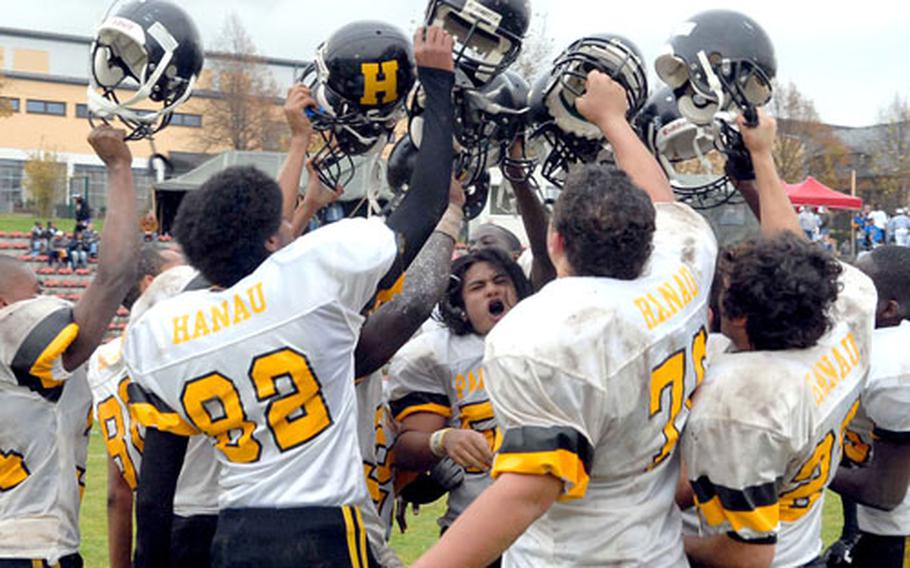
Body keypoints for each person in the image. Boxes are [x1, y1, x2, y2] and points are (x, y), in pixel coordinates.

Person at [125, 27, 456, 568]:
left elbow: (155, 492)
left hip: (234, 535)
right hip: (324, 525)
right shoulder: (311, 281)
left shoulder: (164, 329)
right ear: (273, 240)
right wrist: (437, 84)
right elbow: (423, 205)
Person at [413, 69, 716, 568]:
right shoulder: (684, 264)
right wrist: (614, 120)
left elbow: (528, 493)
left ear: (555, 243)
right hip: (657, 552)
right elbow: (662, 200)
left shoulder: (545, 333)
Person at [681, 110, 876, 567]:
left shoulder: (744, 399)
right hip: (804, 549)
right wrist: (761, 157)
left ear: (743, 319)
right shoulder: (844, 321)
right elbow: (794, 255)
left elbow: (748, 556)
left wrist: (657, 541)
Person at [0, 125, 139, 567]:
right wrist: (119, 168)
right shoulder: (12, 333)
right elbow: (115, 276)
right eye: (36, 290)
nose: (47, 300)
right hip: (29, 550)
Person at [387, 247, 533, 542]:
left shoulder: (547, 338)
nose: (492, 290)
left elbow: (543, 257)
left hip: (549, 523)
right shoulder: (437, 354)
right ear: (461, 306)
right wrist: (440, 442)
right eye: (478, 287)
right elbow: (404, 447)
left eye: (500, 281)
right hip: (476, 523)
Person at [88, 245, 221, 568]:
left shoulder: (102, 362)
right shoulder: (192, 347)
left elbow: (118, 493)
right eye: (183, 267)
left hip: (155, 524)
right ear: (152, 283)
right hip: (209, 514)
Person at [823, 245, 910, 567]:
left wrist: (802, 461)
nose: (844, 293)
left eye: (860, 285)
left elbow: (884, 494)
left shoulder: (895, 366)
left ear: (888, 309)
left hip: (898, 537)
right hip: (871, 525)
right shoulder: (874, 343)